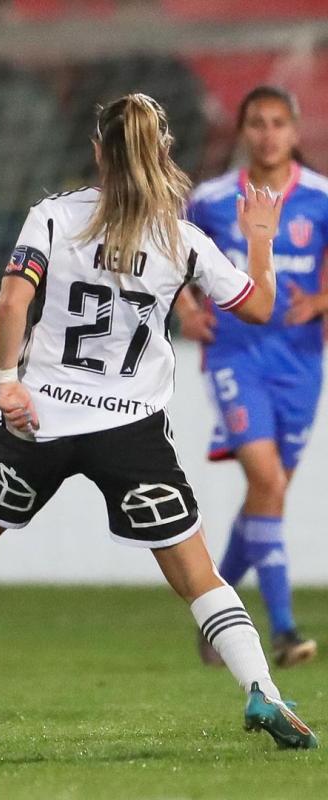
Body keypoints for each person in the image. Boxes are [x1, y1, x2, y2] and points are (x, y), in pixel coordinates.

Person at [0, 94, 318, 750]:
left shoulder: (55, 217)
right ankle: (261, 691)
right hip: (132, 431)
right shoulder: (181, 239)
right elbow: (259, 307)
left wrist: (6, 385)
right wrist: (260, 239)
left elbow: (11, 303)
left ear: (97, 150)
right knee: (197, 576)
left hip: (42, 419)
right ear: (162, 152)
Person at [179, 86, 328, 669]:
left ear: (295, 130)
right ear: (243, 131)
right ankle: (285, 629)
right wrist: (187, 309)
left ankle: (213, 612)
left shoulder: (319, 197)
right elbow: (169, 254)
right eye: (257, 123)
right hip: (235, 356)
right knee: (266, 479)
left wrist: (320, 302)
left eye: (278, 123)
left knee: (269, 491)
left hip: (301, 362)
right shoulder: (212, 200)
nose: (268, 134)